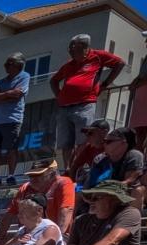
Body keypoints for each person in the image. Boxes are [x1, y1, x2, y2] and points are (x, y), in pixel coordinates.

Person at [50, 34, 125, 169]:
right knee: (66, 142)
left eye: (73, 48)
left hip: (84, 104)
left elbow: (120, 63)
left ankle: (77, 167)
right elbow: (53, 80)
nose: (70, 51)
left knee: (84, 139)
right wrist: (59, 96)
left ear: (83, 47)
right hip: (64, 107)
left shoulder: (98, 56)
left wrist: (105, 84)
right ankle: (67, 168)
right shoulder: (69, 64)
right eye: (70, 49)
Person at [0, 159, 75, 245]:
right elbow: (9, 215)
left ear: (52, 174)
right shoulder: (25, 188)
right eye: (31, 175)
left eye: (38, 175)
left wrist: (58, 237)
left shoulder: (63, 183)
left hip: (56, 236)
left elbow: (66, 210)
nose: (33, 179)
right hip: (30, 237)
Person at [0, 53, 31, 186]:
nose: (5, 66)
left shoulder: (24, 76)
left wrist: (1, 96)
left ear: (18, 65)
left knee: (12, 148)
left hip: (12, 118)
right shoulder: (0, 81)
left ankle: (11, 175)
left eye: (9, 63)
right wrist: (7, 94)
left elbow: (17, 95)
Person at [83, 127, 146, 191]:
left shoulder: (134, 156)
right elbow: (90, 184)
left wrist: (108, 188)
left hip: (124, 192)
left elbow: (128, 182)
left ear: (123, 143)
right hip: (100, 191)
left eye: (108, 141)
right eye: (104, 141)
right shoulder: (99, 159)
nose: (104, 144)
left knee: (138, 190)